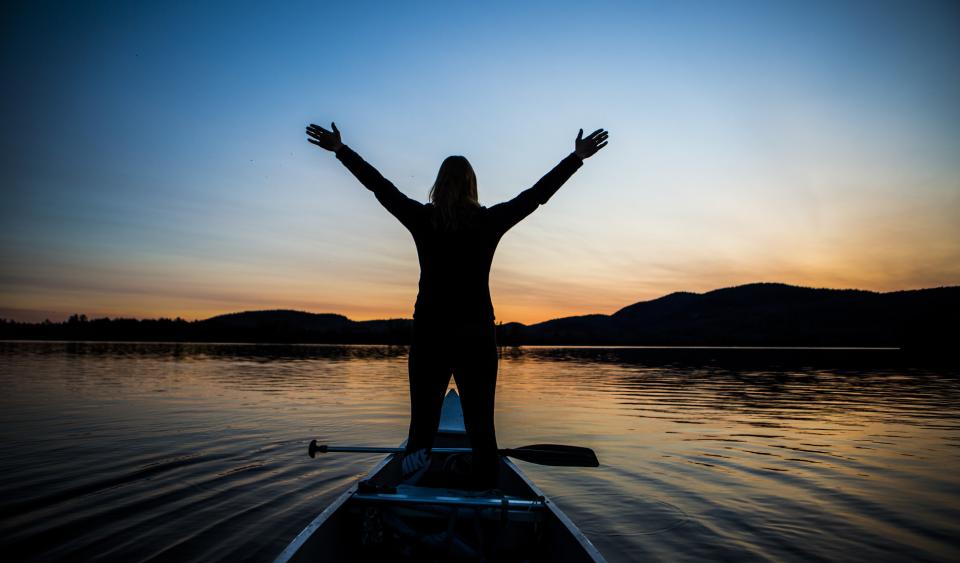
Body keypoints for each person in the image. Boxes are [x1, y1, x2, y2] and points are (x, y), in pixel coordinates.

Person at [306, 122, 608, 488]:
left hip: (430, 337)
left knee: (421, 430)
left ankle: (409, 506)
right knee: (482, 432)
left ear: (439, 184)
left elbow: (380, 188)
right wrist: (576, 159)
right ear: (472, 186)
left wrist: (342, 150)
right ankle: (487, 504)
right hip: (476, 338)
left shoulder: (422, 218)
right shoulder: (489, 221)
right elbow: (535, 196)